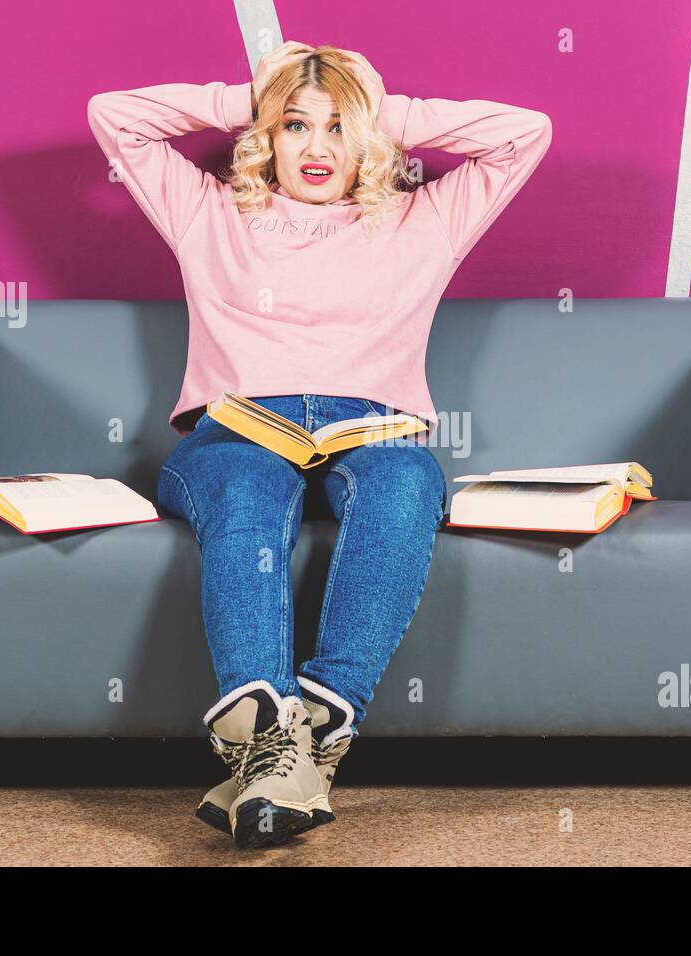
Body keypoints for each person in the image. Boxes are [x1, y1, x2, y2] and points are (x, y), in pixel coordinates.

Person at [88, 41, 551, 848]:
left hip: (371, 428)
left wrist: (384, 106)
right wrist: (252, 95)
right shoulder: (210, 212)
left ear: (370, 137)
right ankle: (270, 743)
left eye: (341, 128)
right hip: (240, 428)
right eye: (296, 126)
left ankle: (314, 731)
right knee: (246, 489)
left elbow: (527, 131)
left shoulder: (424, 219)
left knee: (407, 484)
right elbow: (113, 117)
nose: (317, 148)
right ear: (268, 135)